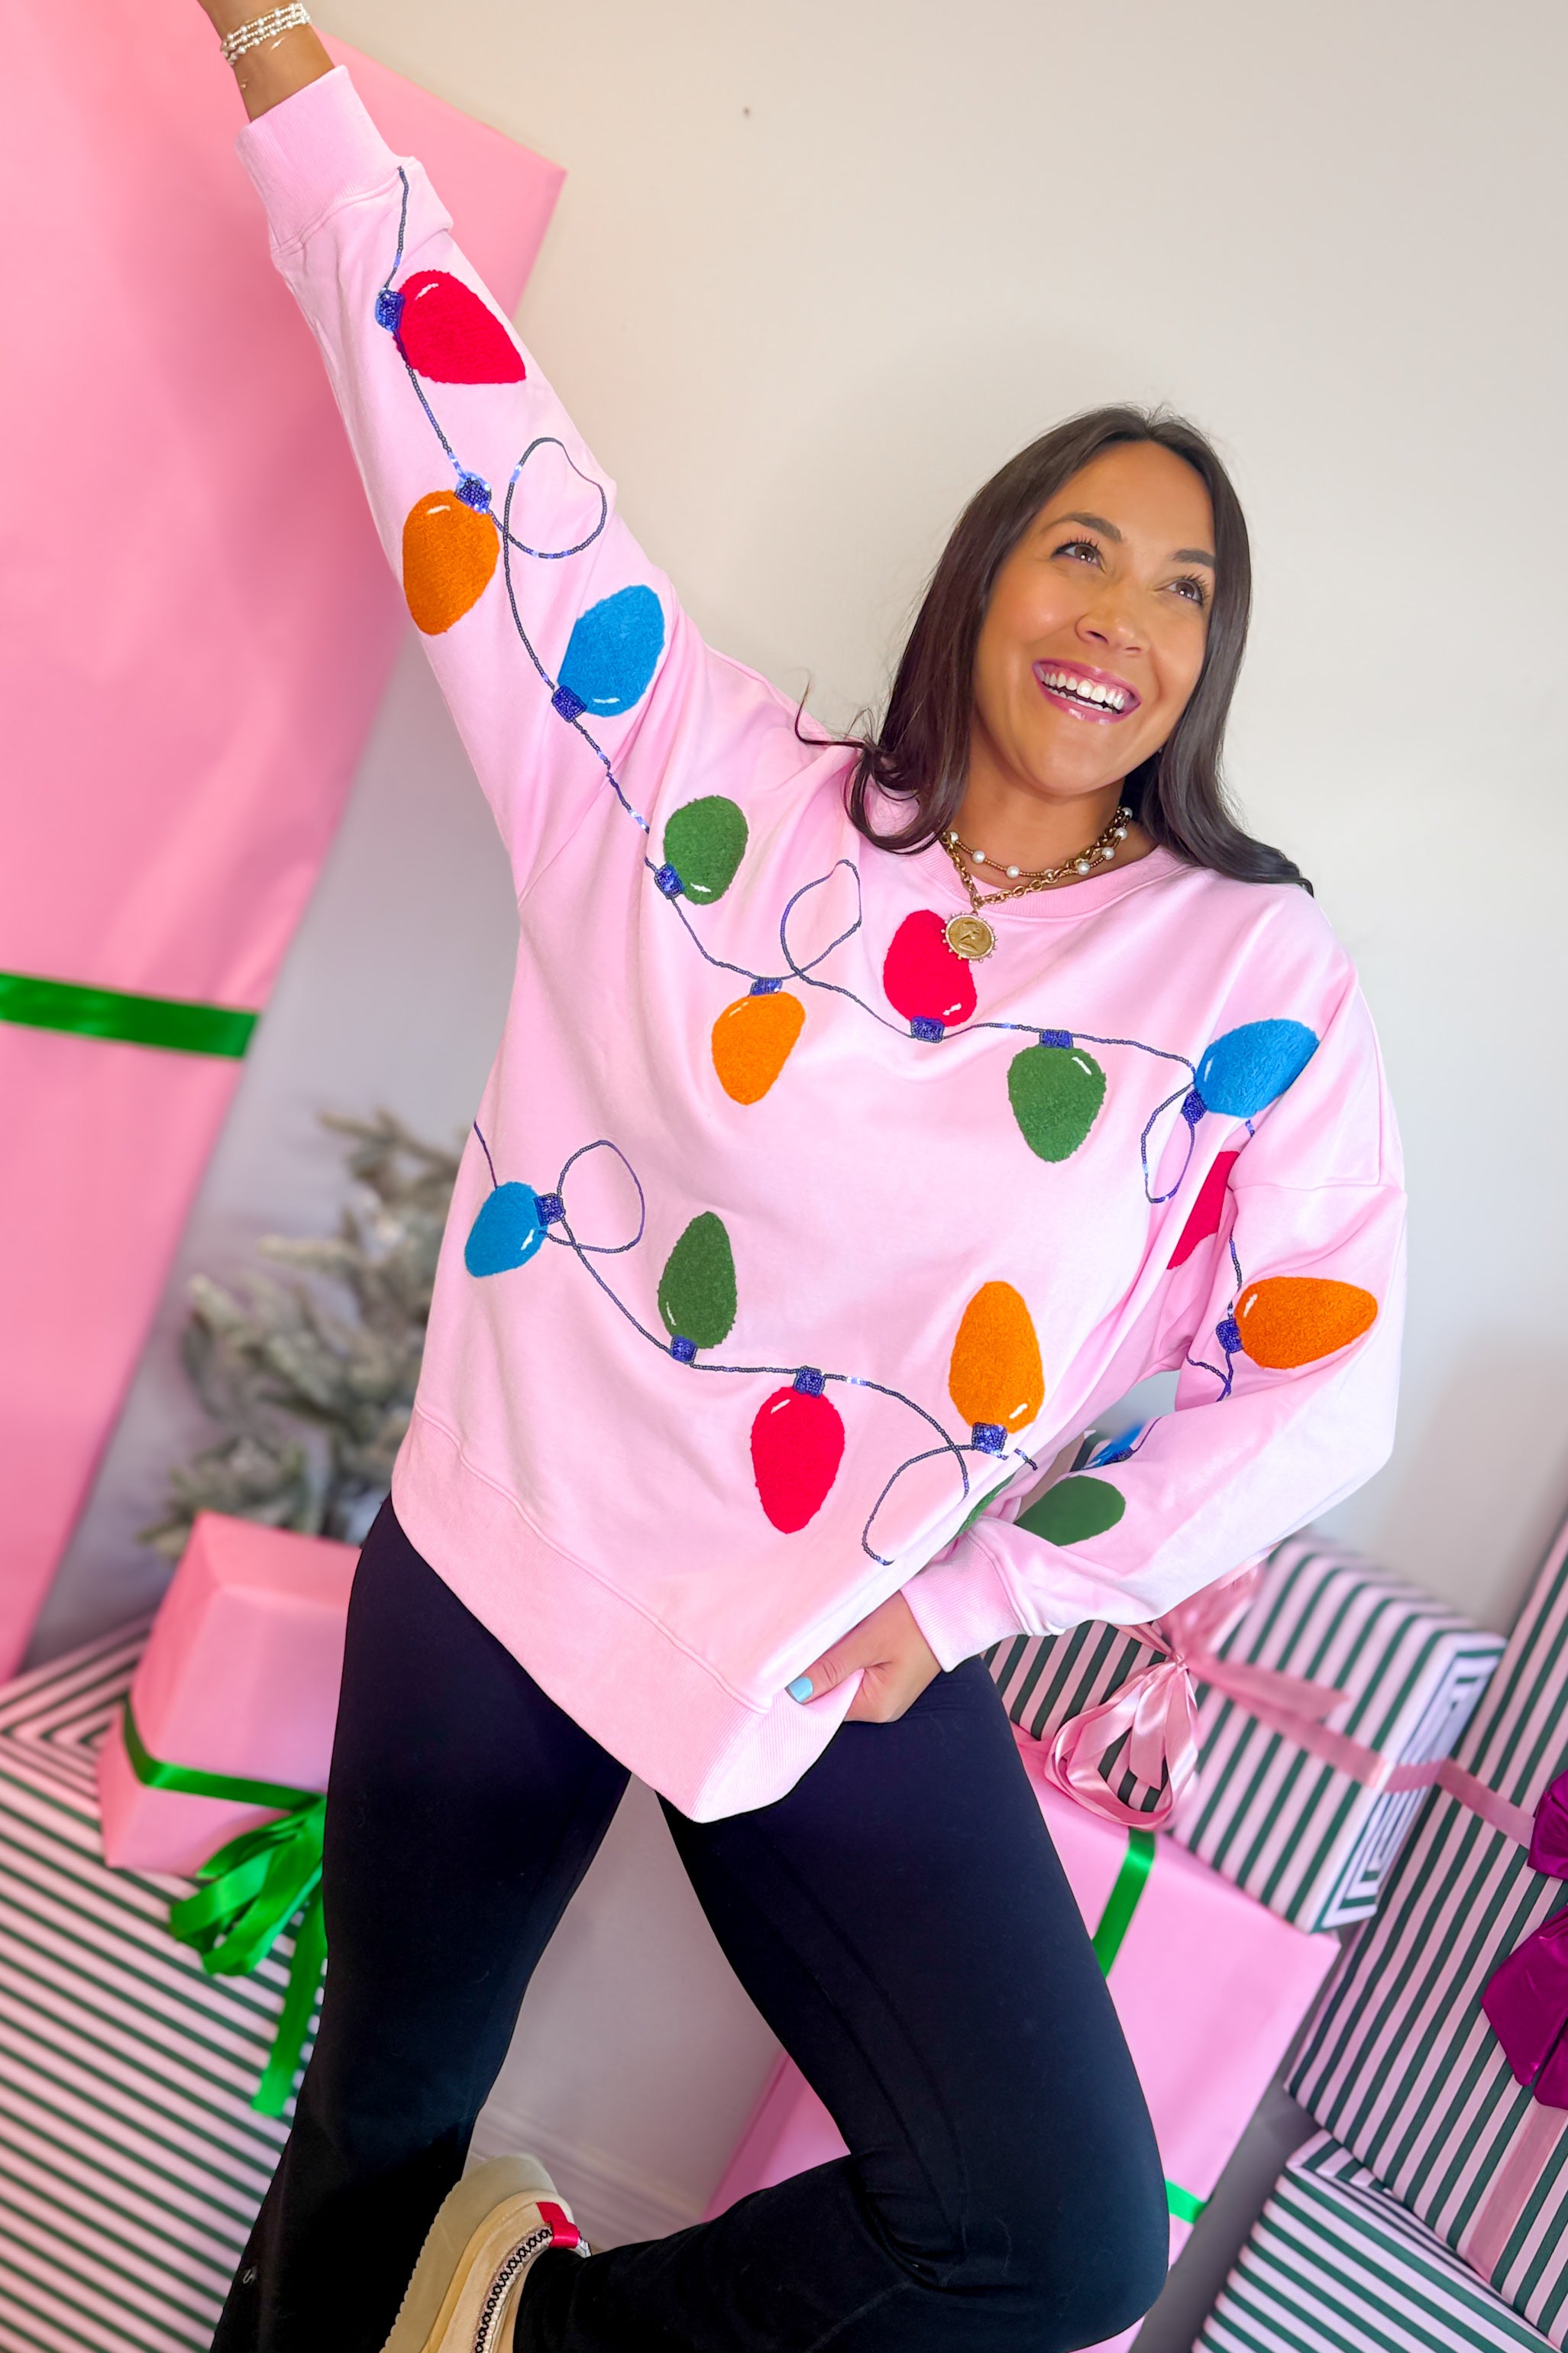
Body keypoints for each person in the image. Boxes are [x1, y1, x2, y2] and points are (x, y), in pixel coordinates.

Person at [195, 8, 1405, 2350]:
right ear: (983, 575)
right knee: (385, 2111)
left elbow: (1317, 1376)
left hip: (828, 1639)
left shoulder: (1242, 974)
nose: (1124, 612)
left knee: (1058, 2234)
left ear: (1208, 661)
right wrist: (277, 57)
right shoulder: (697, 774)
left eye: (1183, 586)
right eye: (1080, 545)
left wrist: (978, 1596)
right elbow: (474, 449)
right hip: (517, 1540)